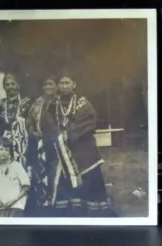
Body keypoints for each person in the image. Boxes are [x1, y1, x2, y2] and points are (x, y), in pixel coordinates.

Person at [49, 74, 116, 217]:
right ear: (58, 86)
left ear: (74, 84)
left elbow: (88, 123)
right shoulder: (53, 105)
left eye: (67, 82)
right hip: (63, 152)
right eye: (61, 83)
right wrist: (58, 136)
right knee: (66, 181)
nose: (64, 86)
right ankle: (71, 214)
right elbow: (49, 124)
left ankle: (94, 213)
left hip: (84, 150)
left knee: (90, 180)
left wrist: (68, 134)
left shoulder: (83, 104)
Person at [24, 75, 59, 216]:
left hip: (56, 143)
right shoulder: (37, 103)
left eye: (51, 84)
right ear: (42, 87)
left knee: (55, 172)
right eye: (46, 84)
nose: (49, 87)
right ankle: (43, 202)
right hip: (40, 144)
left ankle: (56, 202)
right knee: (41, 172)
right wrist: (33, 132)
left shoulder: (60, 102)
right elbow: (28, 122)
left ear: (56, 86)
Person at [0, 138, 31, 217]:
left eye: (6, 150)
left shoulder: (16, 166)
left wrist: (14, 200)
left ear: (9, 152)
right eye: (1, 149)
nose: (4, 152)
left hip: (16, 207)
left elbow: (26, 186)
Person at [0, 73, 32, 168]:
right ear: (4, 87)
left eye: (13, 84)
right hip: (6, 143)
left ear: (18, 85)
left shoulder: (26, 103)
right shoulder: (1, 105)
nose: (10, 87)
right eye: (7, 84)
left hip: (23, 143)